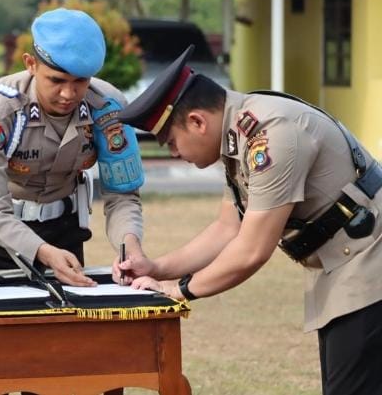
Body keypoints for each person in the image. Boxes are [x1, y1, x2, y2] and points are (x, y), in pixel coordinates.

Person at [116, 44, 382, 393]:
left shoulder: (271, 134)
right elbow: (227, 229)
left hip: (368, 260)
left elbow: (253, 250)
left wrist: (178, 290)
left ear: (197, 121)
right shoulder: (238, 133)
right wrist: (156, 268)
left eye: (171, 142)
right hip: (347, 262)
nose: (174, 153)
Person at [0, 8, 147, 286]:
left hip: (64, 231)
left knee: (65, 328)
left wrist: (130, 247)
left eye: (80, 81)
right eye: (56, 80)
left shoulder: (108, 108)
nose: (68, 94)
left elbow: (123, 195)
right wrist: (44, 253)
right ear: (31, 63)